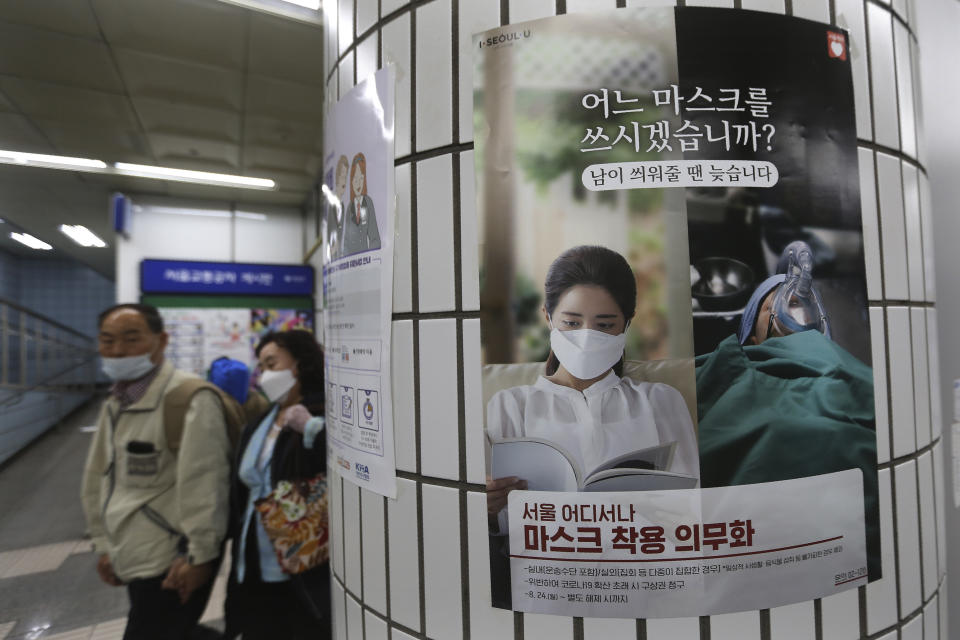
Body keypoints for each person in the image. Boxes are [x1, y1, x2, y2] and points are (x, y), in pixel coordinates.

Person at [484, 246, 699, 604]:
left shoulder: (660, 401)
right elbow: (498, 525)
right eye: (571, 322)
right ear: (548, 316)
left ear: (627, 323)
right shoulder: (511, 406)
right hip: (544, 583)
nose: (586, 336)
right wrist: (488, 509)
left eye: (604, 325)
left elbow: (692, 509)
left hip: (643, 579)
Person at [81, 304, 231, 640]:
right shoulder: (116, 401)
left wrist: (199, 556)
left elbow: (205, 485)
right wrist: (104, 544)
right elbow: (99, 478)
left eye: (131, 339)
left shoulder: (190, 399)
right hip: (130, 548)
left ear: (161, 341)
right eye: (107, 340)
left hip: (171, 561)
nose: (118, 351)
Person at [223, 330, 329, 640]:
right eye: (262, 367)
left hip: (304, 565)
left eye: (272, 363)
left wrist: (312, 429)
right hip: (252, 558)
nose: (265, 375)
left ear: (298, 363)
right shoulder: (261, 421)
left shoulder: (322, 411)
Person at [341, 152, 381, 255]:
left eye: (361, 178)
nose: (358, 183)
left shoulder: (368, 202)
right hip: (352, 263)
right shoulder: (350, 207)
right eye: (355, 179)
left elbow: (374, 237)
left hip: (364, 261)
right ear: (351, 181)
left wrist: (372, 260)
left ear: (364, 180)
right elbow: (346, 241)